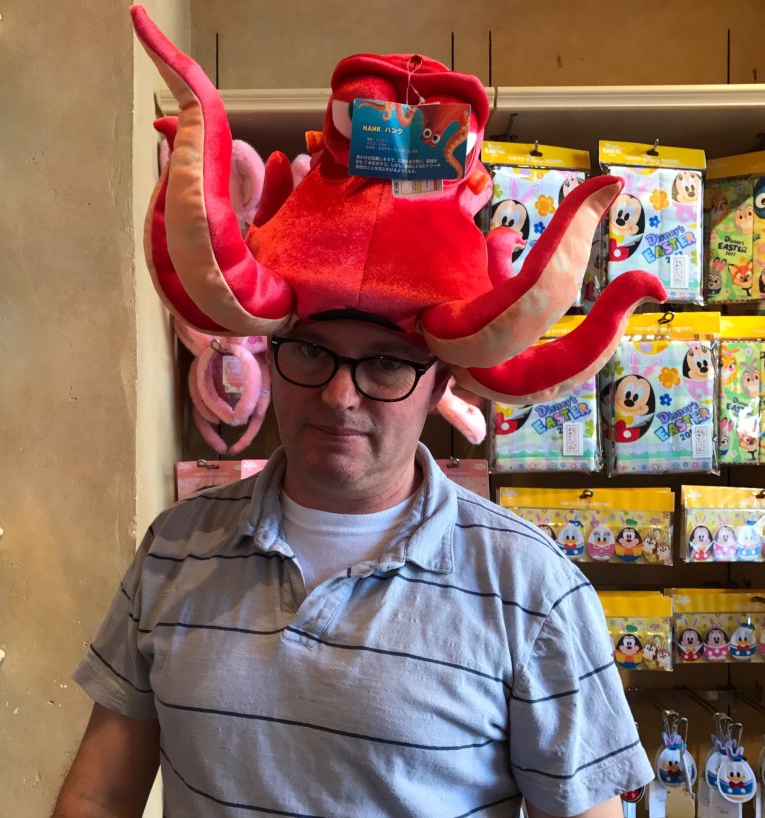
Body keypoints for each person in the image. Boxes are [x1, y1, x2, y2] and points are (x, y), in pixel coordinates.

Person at [53, 8, 664, 816]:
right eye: (311, 352)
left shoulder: (532, 587)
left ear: (441, 384)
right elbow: (99, 795)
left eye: (386, 364)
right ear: (271, 352)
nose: (340, 396)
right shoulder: (173, 548)